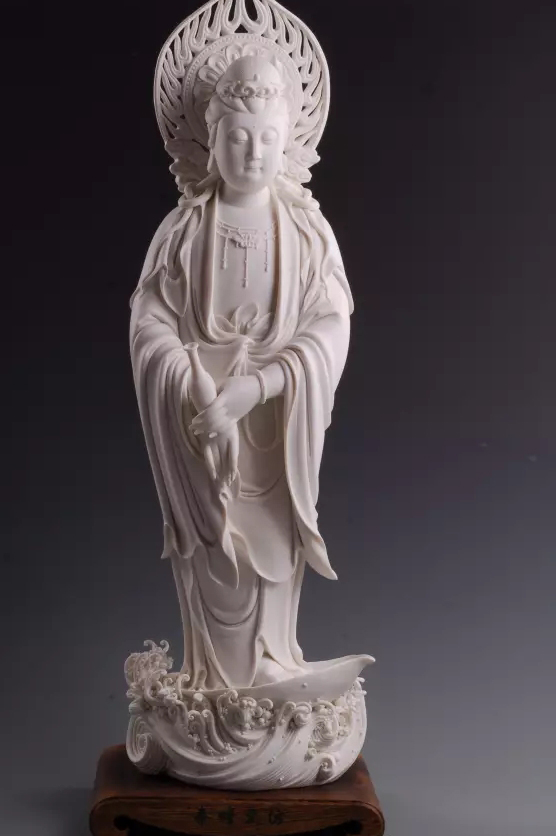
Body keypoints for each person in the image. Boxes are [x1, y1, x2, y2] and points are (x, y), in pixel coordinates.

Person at [130, 54, 353, 690]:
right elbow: (149, 321)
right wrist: (194, 384)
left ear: (288, 143)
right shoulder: (184, 230)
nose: (253, 153)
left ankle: (274, 672)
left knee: (275, 556)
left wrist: (258, 386)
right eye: (237, 137)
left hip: (275, 431)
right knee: (213, 560)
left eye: (267, 138)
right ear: (211, 138)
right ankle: (213, 688)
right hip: (201, 429)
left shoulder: (306, 232)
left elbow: (331, 323)